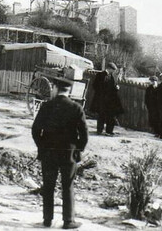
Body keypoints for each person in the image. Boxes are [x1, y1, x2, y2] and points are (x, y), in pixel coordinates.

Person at [32, 80, 88, 229]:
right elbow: (84, 135)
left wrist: (42, 147)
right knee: (68, 186)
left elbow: (35, 130)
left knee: (48, 186)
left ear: (55, 88)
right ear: (69, 90)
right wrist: (77, 149)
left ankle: (47, 220)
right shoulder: (76, 108)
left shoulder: (46, 106)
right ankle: (68, 221)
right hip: (68, 154)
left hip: (49, 152)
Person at [90, 62, 124, 136]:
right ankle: (99, 130)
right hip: (102, 99)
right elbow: (95, 86)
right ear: (109, 68)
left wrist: (117, 88)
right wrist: (102, 92)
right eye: (113, 70)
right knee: (101, 115)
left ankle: (109, 131)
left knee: (111, 116)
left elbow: (114, 86)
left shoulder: (113, 76)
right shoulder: (100, 75)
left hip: (111, 100)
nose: (113, 71)